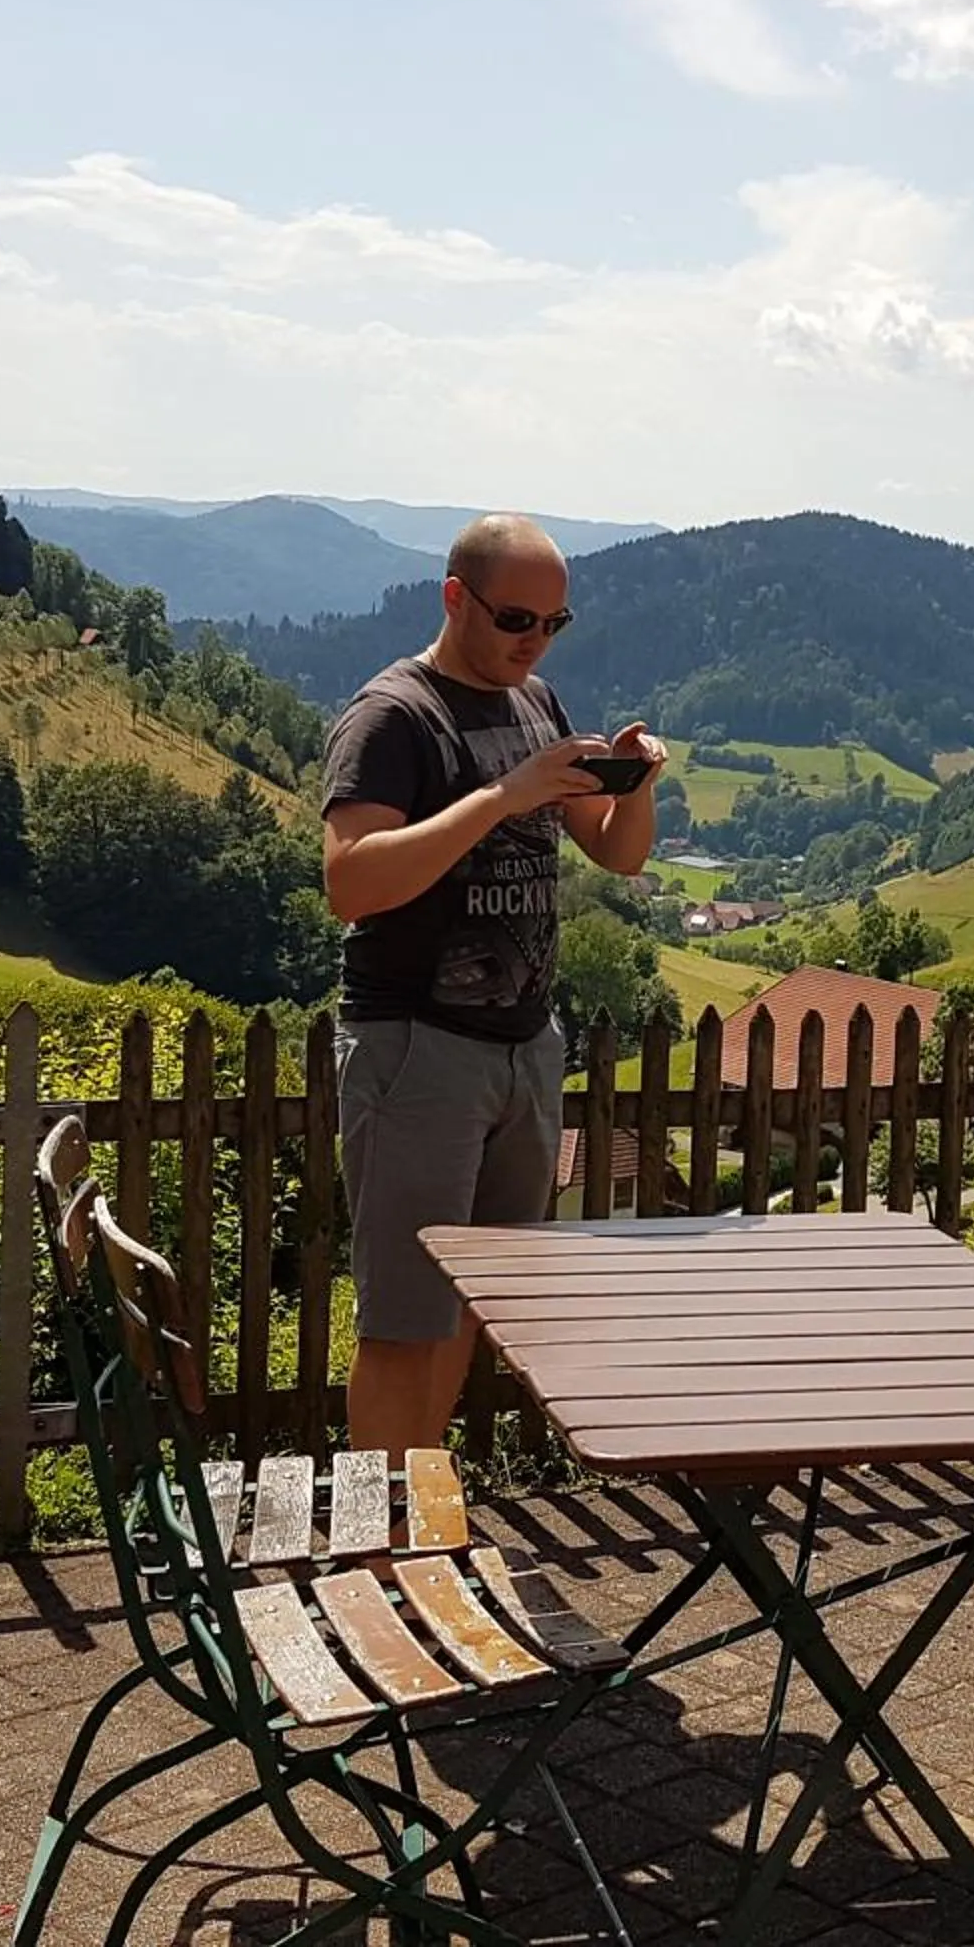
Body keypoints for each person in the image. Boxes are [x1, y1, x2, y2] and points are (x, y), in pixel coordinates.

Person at [320, 513, 666, 1452]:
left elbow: (615, 855)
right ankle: (376, 1544)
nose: (534, 642)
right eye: (517, 619)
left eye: (555, 623)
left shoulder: (537, 704)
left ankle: (420, 1515)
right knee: (403, 1324)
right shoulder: (394, 716)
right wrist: (504, 797)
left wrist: (635, 789)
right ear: (453, 599)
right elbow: (349, 881)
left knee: (478, 1303)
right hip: (416, 1048)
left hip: (523, 1045)